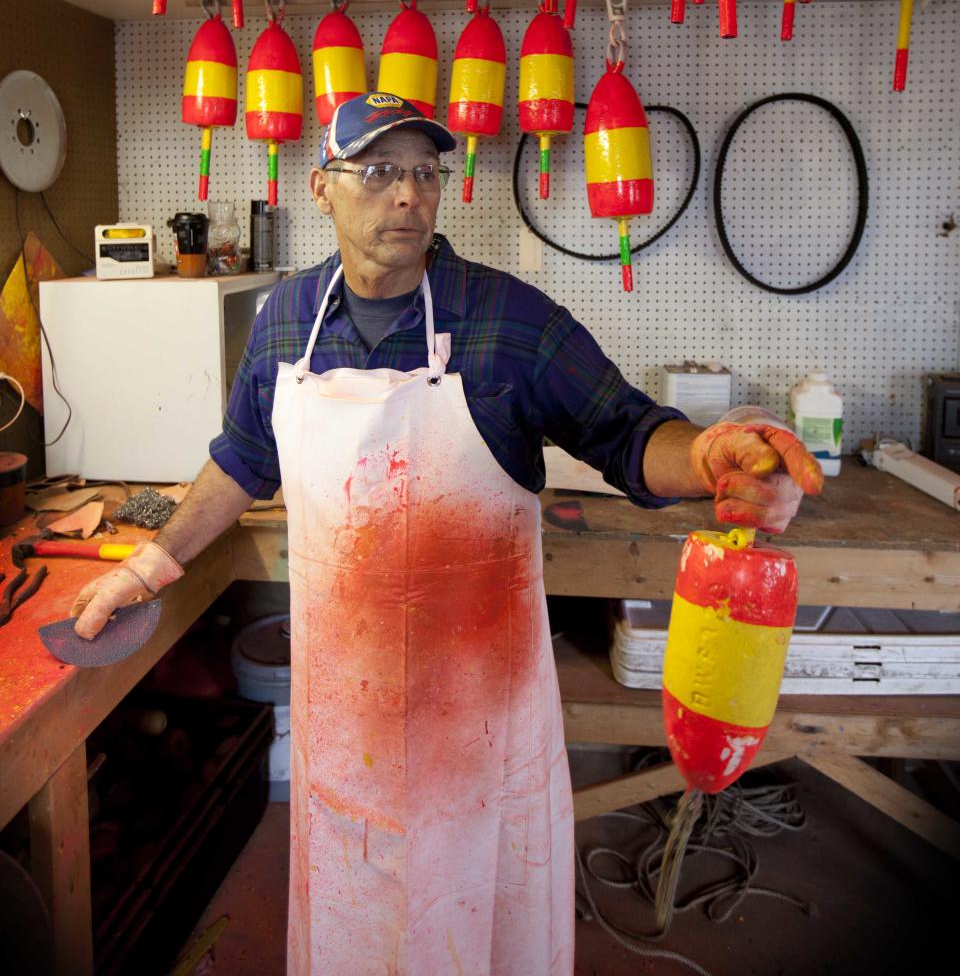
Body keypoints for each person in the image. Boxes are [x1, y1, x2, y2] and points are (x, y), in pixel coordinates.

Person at [70, 93, 822, 976]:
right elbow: (243, 456)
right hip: (344, 723)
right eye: (379, 170)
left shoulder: (510, 323)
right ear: (322, 187)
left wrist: (703, 457)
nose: (407, 195)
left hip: (479, 728)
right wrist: (148, 564)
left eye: (425, 172)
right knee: (357, 924)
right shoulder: (284, 322)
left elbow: (624, 432)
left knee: (478, 927)